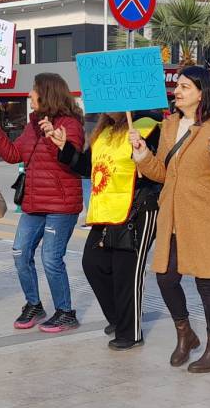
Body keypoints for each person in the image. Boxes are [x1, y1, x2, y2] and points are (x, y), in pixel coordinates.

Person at [130, 66, 210, 372]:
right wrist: (141, 153)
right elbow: (163, 174)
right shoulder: (169, 126)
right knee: (166, 278)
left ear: (202, 92)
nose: (177, 92)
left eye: (184, 87)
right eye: (177, 87)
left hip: (209, 216)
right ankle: (186, 334)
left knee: (208, 286)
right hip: (174, 215)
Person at [0, 73, 86, 333]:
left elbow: (71, 161)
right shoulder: (32, 125)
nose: (29, 96)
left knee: (51, 258)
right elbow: (14, 154)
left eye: (33, 91)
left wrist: (56, 141)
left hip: (61, 205)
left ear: (46, 93)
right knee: (19, 252)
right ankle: (34, 304)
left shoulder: (70, 124)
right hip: (34, 203)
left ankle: (65, 311)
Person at [49, 111, 161, 349]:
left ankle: (130, 332)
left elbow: (160, 170)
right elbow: (89, 167)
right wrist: (65, 148)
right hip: (106, 210)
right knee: (92, 263)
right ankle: (119, 319)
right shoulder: (104, 132)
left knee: (126, 273)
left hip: (137, 210)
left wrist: (143, 152)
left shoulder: (149, 127)